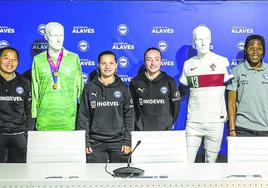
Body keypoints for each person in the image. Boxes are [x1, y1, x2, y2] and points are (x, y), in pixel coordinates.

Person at [179, 25, 233, 163]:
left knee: (211, 163)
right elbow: (182, 88)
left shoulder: (222, 61)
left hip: (216, 121)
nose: (203, 42)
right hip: (194, 122)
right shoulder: (187, 64)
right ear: (194, 42)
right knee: (187, 162)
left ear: (211, 40)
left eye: (206, 39)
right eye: (199, 39)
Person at [76, 51, 134, 163]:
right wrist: (85, 141)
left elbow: (130, 117)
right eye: (104, 63)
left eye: (111, 63)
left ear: (116, 65)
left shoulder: (123, 88)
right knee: (94, 178)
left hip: (119, 143)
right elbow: (83, 117)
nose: (107, 67)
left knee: (121, 178)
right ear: (98, 65)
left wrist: (128, 141)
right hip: (94, 144)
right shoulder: (89, 88)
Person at [31, 22, 83, 131]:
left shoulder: (74, 58)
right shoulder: (38, 60)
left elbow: (80, 89)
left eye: (61, 35)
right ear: (46, 37)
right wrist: (34, 115)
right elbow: (35, 90)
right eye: (54, 35)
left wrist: (82, 116)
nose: (59, 40)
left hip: (68, 120)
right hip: (44, 120)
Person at [130, 47, 180, 131]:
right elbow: (131, 107)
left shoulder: (170, 81)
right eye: (149, 60)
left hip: (164, 131)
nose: (153, 63)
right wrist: (137, 124)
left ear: (161, 62)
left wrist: (168, 123)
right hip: (141, 131)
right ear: (145, 62)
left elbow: (176, 107)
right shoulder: (135, 82)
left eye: (156, 59)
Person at [227, 35, 268, 136]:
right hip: (243, 129)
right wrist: (232, 130)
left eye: (259, 49)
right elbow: (231, 103)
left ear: (263, 51)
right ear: (245, 50)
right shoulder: (236, 71)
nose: (255, 52)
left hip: (266, 129)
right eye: (251, 48)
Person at [0, 47, 34, 163]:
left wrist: (26, 134)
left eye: (14, 59)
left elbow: (30, 111)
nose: (10, 62)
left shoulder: (24, 82)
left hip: (19, 136)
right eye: (6, 58)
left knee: (19, 175)